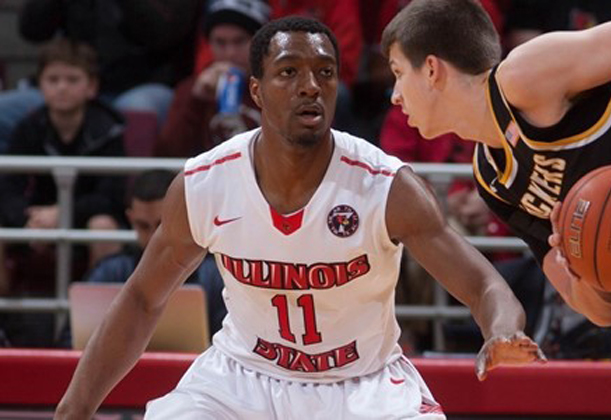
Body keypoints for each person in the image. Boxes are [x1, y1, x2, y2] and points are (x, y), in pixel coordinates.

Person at [54, 17, 544, 420]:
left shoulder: (385, 185)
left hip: (363, 386)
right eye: (289, 72)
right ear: (257, 91)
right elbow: (141, 298)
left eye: (325, 72)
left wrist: (502, 330)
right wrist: (74, 408)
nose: (310, 86)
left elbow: (484, 286)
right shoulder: (206, 183)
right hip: (240, 380)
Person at [381, 0, 611, 328]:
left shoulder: (525, 75)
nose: (394, 96)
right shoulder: (491, 180)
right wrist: (588, 271)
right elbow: (602, 313)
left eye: (398, 73)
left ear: (431, 69)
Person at [0, 38, 126, 347]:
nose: (62, 88)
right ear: (40, 85)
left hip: (87, 222)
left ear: (91, 86)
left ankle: (96, 332)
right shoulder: (28, 128)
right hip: (38, 226)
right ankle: (5, 327)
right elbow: (7, 189)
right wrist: (27, 222)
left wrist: (63, 214)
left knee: (104, 228)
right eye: (53, 80)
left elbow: (110, 197)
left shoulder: (109, 130)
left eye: (72, 79)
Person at [0, 0, 203, 153]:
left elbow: (163, 34)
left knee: (135, 114)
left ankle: (128, 204)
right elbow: (32, 31)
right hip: (73, 83)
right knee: (4, 111)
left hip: (140, 85)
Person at [78, 170, 227, 340]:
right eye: (142, 225)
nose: (151, 237)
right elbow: (70, 342)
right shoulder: (108, 273)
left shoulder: (215, 276)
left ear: (181, 218)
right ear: (130, 218)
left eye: (159, 226)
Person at [155, 0, 270, 157]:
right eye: (220, 42)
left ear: (259, 43)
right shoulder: (192, 88)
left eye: (239, 41)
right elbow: (167, 156)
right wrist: (195, 101)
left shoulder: (277, 86)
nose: (230, 53)